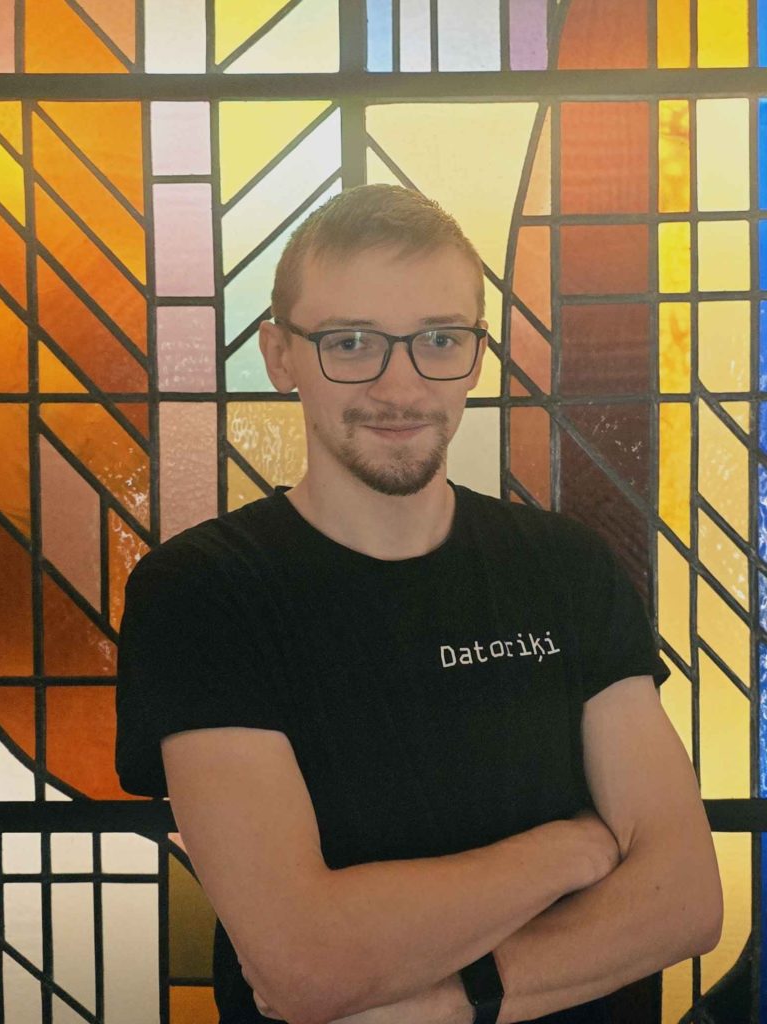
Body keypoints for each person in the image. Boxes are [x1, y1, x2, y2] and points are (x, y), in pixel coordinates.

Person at [115, 183, 723, 1024]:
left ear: (477, 354)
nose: (399, 386)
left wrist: (450, 1002)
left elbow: (685, 900)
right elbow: (306, 965)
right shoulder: (203, 594)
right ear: (280, 355)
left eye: (439, 339)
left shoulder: (565, 567)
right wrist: (568, 849)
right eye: (351, 342)